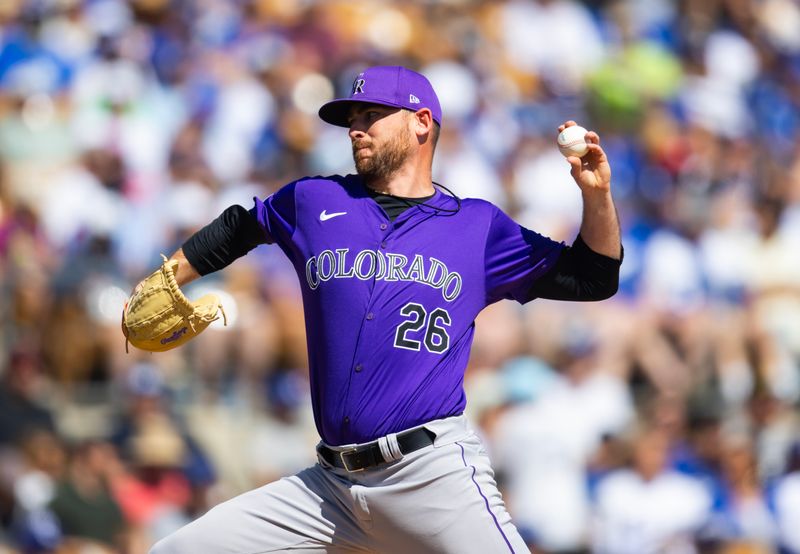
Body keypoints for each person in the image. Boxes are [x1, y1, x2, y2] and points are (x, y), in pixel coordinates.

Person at [147, 65, 622, 553]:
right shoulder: (315, 200)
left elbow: (594, 277)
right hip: (328, 489)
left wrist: (597, 195)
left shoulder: (478, 227)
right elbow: (241, 226)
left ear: (420, 122)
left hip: (429, 476)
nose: (356, 127)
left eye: (372, 114)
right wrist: (169, 275)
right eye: (352, 117)